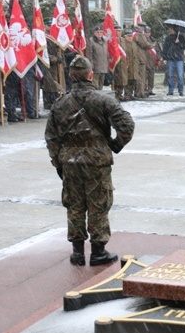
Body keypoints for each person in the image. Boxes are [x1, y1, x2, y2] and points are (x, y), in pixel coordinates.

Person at [44, 55, 135, 267]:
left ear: (70, 76)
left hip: (70, 161)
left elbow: (51, 137)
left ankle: (77, 252)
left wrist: (58, 161)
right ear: (91, 75)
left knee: (74, 205)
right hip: (97, 160)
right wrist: (115, 144)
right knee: (98, 204)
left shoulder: (60, 104)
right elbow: (127, 124)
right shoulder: (103, 100)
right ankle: (98, 251)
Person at [161, 26, 185, 96]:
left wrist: (179, 43)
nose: (170, 30)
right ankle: (170, 90)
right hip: (170, 59)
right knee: (170, 75)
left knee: (180, 75)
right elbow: (165, 48)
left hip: (179, 59)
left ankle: (181, 90)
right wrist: (164, 58)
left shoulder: (181, 37)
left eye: (171, 29)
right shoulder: (168, 38)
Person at [85, 26, 109, 90]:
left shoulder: (104, 42)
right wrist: (91, 66)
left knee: (101, 85)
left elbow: (107, 55)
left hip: (103, 67)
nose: (99, 33)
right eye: (97, 32)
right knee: (95, 85)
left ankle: (99, 98)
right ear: (94, 33)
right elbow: (89, 55)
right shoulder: (91, 41)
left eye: (101, 32)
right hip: (95, 67)